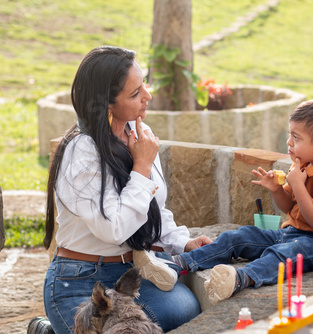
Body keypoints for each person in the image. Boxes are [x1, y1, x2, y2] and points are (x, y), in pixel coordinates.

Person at [40, 45, 212, 334]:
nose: (148, 96)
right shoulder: (82, 151)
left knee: (184, 310)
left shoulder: (136, 134)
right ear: (108, 105)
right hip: (81, 279)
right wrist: (141, 167)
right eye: (135, 94)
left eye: (144, 85)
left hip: (128, 277)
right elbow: (114, 229)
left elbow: (154, 207)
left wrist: (180, 242)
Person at [156, 98, 313, 304]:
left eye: (296, 137)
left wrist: (297, 184)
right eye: (290, 134)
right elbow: (289, 207)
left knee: (281, 254)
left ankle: (239, 279)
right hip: (292, 233)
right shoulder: (303, 164)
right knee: (239, 237)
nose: (289, 142)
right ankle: (178, 263)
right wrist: (277, 190)